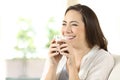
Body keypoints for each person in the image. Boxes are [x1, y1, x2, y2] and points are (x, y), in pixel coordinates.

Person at [41, 3, 114, 80]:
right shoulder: (59, 56)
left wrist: (72, 65)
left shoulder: (103, 58)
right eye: (64, 24)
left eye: (74, 24)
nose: (66, 30)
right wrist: (53, 64)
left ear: (89, 28)